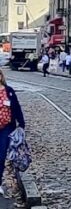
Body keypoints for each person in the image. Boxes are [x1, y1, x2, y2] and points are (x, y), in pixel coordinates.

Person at [0, 69, 26, 197]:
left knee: (1, 156)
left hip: (6, 128)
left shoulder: (8, 91)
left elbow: (16, 107)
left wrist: (21, 124)